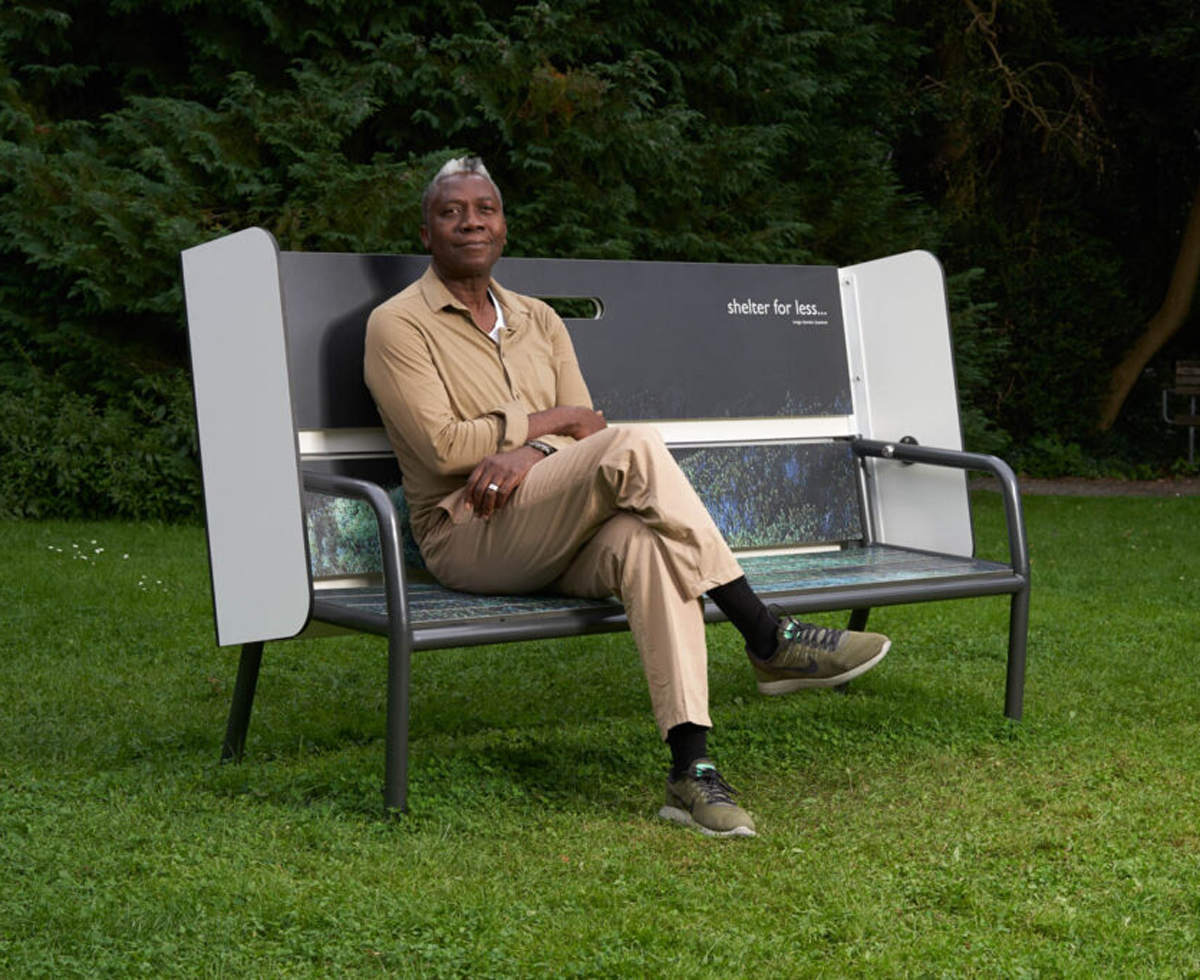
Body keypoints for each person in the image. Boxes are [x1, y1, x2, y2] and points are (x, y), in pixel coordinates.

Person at [364, 156, 891, 837]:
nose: (471, 222)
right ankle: (765, 633)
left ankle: (691, 771)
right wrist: (554, 424)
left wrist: (529, 448)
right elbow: (445, 448)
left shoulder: (539, 320)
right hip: (467, 531)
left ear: (503, 227)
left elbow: (587, 431)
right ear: (426, 233)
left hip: (553, 525)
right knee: (636, 444)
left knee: (647, 544)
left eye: (484, 209)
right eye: (451, 212)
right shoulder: (398, 325)